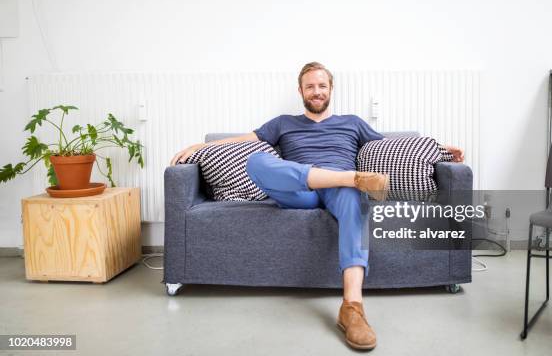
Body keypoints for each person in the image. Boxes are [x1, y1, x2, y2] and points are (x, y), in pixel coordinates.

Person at [170, 62, 464, 350]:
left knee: (353, 200)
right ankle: (349, 177)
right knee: (256, 161)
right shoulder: (283, 123)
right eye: (310, 86)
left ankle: (352, 308)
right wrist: (201, 146)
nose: (317, 91)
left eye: (322, 85)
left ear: (331, 89)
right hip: (303, 189)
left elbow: (393, 145)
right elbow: (244, 141)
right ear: (301, 91)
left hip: (342, 191)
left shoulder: (352, 122)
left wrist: (441, 150)